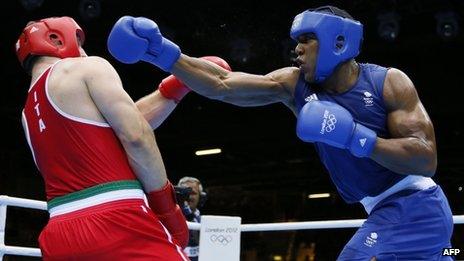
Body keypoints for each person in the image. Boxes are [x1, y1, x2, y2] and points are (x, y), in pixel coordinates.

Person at [107, 5, 454, 260]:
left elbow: (426, 159)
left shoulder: (387, 82)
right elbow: (223, 83)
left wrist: (356, 137)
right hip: (383, 210)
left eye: (307, 40)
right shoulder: (294, 84)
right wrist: (164, 55)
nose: (297, 49)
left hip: (415, 205)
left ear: (338, 42)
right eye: (296, 41)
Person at [16, 16, 195, 260]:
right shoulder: (86, 68)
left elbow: (114, 131)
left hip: (58, 235)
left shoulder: (28, 112)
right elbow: (136, 136)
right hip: (116, 220)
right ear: (56, 39)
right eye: (80, 44)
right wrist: (166, 205)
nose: (84, 52)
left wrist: (173, 89)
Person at [176, 176, 207, 261]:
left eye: (193, 193)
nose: (189, 197)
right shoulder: (168, 218)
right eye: (185, 193)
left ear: (201, 197)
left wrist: (188, 213)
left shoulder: (204, 221)